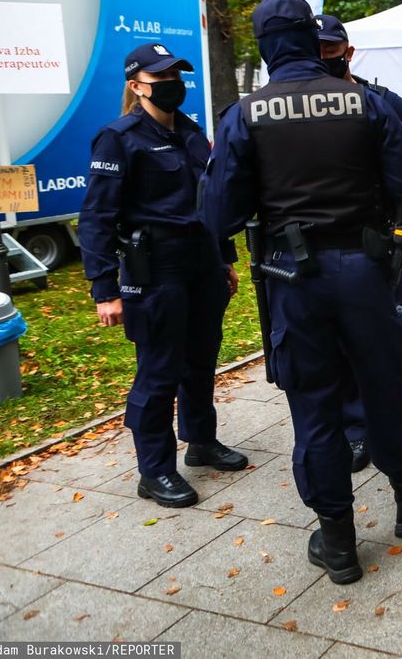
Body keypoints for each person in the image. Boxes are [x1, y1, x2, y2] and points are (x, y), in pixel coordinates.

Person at [201, 0, 402, 585]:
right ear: (311, 38)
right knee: (383, 385)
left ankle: (338, 543)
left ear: (264, 46)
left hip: (293, 277)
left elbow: (219, 214)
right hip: (363, 268)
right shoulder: (366, 102)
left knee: (314, 406)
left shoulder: (246, 115)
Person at [79, 43, 248, 509]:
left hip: (200, 265)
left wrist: (224, 259)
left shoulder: (192, 133)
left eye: (177, 76)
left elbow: (209, 202)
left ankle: (201, 441)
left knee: (200, 359)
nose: (174, 84)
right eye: (162, 77)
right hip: (155, 270)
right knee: (158, 372)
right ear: (136, 85)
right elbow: (96, 218)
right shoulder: (119, 137)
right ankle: (154, 470)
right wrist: (104, 289)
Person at [314, 14, 402, 473]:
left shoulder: (384, 102)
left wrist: (385, 157)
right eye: (314, 51)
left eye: (330, 50)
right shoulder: (301, 111)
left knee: (400, 340)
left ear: (348, 52)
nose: (322, 58)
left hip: (385, 250)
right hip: (327, 248)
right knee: (342, 348)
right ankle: (357, 435)